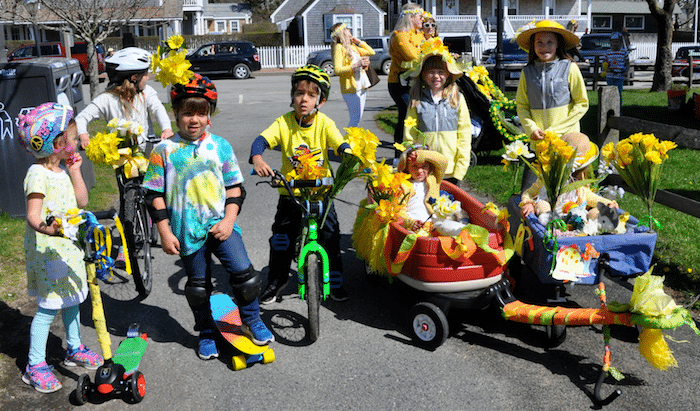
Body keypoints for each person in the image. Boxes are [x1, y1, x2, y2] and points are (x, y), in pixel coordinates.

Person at [143, 74, 274, 360]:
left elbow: (235, 189)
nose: (194, 119)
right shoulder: (163, 151)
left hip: (222, 225)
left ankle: (252, 320)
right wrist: (165, 232)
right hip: (185, 230)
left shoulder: (221, 146)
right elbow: (153, 196)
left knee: (245, 277)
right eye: (187, 112)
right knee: (198, 288)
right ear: (175, 114)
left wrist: (229, 221)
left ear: (209, 116)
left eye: (201, 113)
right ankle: (205, 332)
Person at [19, 103, 104, 393]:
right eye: (69, 136)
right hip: (49, 252)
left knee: (72, 299)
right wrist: (48, 229)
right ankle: (35, 365)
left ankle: (74, 347)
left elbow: (81, 202)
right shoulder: (37, 174)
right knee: (48, 308)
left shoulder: (62, 171)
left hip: (70, 251)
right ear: (56, 142)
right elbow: (33, 215)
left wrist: (76, 170)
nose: (74, 140)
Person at [250, 65, 352, 303]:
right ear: (292, 96)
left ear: (321, 101)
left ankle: (334, 278)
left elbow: (340, 144)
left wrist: (349, 154)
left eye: (311, 95)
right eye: (299, 93)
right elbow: (261, 140)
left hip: (321, 193)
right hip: (291, 193)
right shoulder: (284, 123)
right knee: (281, 239)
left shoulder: (325, 124)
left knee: (331, 237)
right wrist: (258, 158)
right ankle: (276, 281)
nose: (303, 99)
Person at [515, 20, 589, 188]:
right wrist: (531, 128)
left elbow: (582, 104)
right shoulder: (527, 72)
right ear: (533, 46)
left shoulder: (570, 68)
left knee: (568, 196)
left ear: (558, 45)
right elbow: (522, 106)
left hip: (566, 144)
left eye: (550, 42)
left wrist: (556, 131)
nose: (544, 47)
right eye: (539, 43)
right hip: (538, 146)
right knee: (528, 196)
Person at [76, 47, 173, 153]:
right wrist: (83, 134)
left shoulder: (146, 92)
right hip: (121, 158)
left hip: (148, 154)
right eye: (145, 74)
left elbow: (158, 108)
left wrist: (166, 128)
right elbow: (81, 118)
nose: (148, 78)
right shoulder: (107, 98)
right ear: (134, 78)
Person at [402, 39, 472, 185]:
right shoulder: (416, 99)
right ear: (423, 75)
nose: (436, 76)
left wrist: (460, 168)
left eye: (441, 72)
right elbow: (409, 133)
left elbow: (464, 133)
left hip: (450, 169)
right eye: (431, 72)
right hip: (425, 167)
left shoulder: (457, 98)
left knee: (449, 206)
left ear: (448, 74)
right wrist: (412, 157)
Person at [519, 132, 618, 222]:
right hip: (553, 215)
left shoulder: (579, 187)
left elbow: (591, 197)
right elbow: (528, 193)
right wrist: (528, 203)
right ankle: (552, 225)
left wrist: (608, 203)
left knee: (595, 212)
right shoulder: (548, 181)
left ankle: (588, 227)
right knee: (542, 205)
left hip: (577, 217)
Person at [388, 3, 425, 154]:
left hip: (413, 82)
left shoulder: (418, 34)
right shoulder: (399, 36)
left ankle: (410, 151)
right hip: (399, 84)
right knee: (406, 116)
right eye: (420, 16)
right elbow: (414, 56)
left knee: (408, 116)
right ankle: (400, 153)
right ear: (411, 17)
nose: (423, 19)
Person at [330, 22, 375, 128]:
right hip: (351, 88)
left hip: (362, 85)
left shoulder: (353, 46)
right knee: (355, 119)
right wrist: (355, 65)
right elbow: (337, 70)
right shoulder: (339, 48)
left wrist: (359, 41)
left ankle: (351, 141)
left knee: (358, 118)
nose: (349, 30)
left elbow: (371, 52)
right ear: (342, 33)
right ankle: (348, 142)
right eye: (347, 29)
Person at [396, 146, 448, 231]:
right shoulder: (404, 185)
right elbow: (398, 210)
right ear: (406, 167)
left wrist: (422, 155)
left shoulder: (433, 179)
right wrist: (411, 223)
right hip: (412, 226)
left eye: (424, 166)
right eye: (414, 166)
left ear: (430, 167)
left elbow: (443, 162)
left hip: (433, 224)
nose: (419, 171)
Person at [603, 32, 629, 106]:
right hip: (610, 76)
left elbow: (627, 63)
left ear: (620, 43)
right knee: (609, 92)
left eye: (617, 42)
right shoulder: (608, 52)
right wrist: (606, 69)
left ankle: (618, 108)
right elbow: (604, 63)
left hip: (619, 76)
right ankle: (609, 107)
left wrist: (626, 71)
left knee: (618, 92)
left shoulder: (623, 52)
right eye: (613, 42)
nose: (615, 44)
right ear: (610, 43)